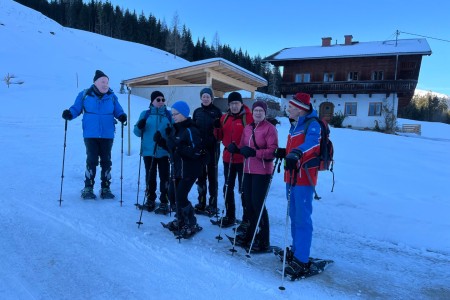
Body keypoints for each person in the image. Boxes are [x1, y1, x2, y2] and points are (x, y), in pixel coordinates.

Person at [273, 92, 322, 276]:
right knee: (293, 215)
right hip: (291, 176)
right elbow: (295, 148)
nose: (288, 110)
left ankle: (302, 259)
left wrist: (297, 154)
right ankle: (295, 250)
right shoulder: (295, 126)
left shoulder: (313, 124)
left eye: (291, 107)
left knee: (302, 218)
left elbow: (312, 145)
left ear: (300, 109)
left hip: (304, 178)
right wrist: (285, 152)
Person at [62, 70, 127, 199]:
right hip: (90, 133)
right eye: (103, 81)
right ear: (96, 83)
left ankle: (105, 188)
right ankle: (88, 188)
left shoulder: (112, 97)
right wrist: (69, 114)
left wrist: (121, 116)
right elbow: (76, 108)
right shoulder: (85, 95)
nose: (105, 84)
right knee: (91, 160)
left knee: (106, 161)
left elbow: (118, 110)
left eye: (107, 82)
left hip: (108, 134)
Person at [227, 100, 278, 252]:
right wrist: (236, 149)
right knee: (248, 204)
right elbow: (244, 147)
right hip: (248, 170)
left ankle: (263, 241)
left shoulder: (270, 129)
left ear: (265, 113)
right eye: (255, 110)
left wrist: (255, 153)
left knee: (258, 205)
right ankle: (249, 236)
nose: (257, 113)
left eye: (260, 111)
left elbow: (272, 151)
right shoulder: (248, 128)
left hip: (262, 172)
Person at [154, 101, 203, 238]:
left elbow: (196, 151)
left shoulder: (191, 129)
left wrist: (178, 147)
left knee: (181, 196)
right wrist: (162, 142)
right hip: (176, 168)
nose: (173, 116)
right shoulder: (175, 128)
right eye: (173, 113)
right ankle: (181, 220)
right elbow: (172, 149)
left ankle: (190, 223)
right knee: (172, 195)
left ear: (184, 114)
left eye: (176, 113)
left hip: (189, 169)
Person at [213, 91, 253, 228]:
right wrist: (216, 128)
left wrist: (240, 148)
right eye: (231, 104)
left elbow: (253, 138)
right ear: (228, 105)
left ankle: (246, 219)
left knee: (244, 190)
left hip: (243, 159)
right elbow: (219, 138)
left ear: (241, 103)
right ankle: (230, 216)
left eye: (236, 103)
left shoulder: (249, 118)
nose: (234, 106)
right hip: (228, 158)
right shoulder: (224, 118)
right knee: (227, 188)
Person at [133, 91, 172, 214]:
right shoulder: (145, 114)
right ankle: (150, 199)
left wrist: (170, 133)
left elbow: (175, 133)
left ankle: (164, 201)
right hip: (148, 151)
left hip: (164, 151)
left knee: (164, 176)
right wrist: (139, 126)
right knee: (150, 176)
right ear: (152, 101)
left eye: (162, 99)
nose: (161, 102)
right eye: (158, 99)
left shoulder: (169, 115)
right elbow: (137, 133)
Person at [192, 87, 222, 216]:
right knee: (201, 176)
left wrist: (218, 127)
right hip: (200, 148)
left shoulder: (217, 112)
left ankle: (213, 204)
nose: (205, 98)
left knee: (212, 176)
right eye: (203, 96)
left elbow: (221, 131)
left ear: (211, 98)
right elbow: (193, 129)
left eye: (208, 97)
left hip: (213, 149)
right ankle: (201, 202)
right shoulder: (197, 112)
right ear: (201, 98)